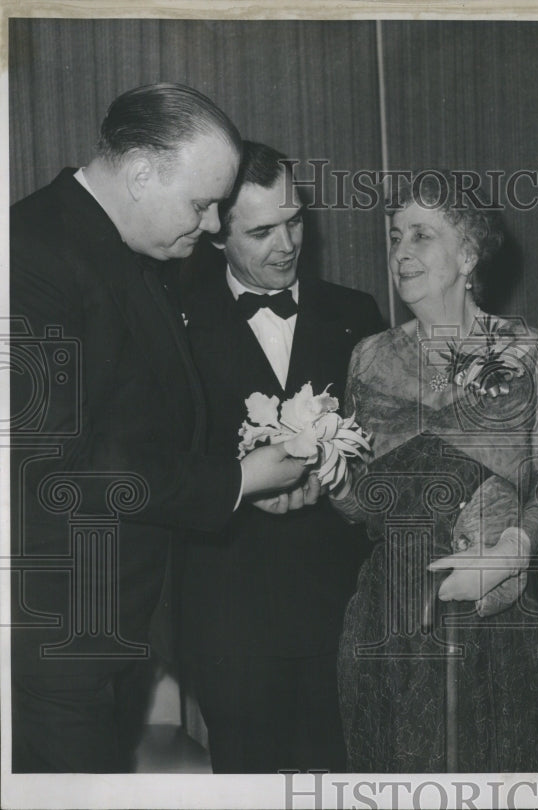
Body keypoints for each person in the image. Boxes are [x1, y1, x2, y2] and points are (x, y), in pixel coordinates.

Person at [9, 85, 309, 773]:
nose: (211, 226)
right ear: (141, 172)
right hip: (54, 635)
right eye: (202, 203)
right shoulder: (31, 254)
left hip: (103, 628)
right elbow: (57, 467)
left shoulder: (122, 251)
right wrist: (236, 479)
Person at [329, 172, 538, 772]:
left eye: (421, 235)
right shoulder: (370, 357)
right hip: (393, 620)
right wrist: (334, 483)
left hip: (494, 613)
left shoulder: (524, 351)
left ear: (467, 254)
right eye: (393, 236)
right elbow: (363, 507)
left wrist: (513, 552)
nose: (401, 252)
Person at [176, 141, 384, 772]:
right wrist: (245, 484)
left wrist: (339, 476)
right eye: (263, 230)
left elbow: (385, 457)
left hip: (340, 608)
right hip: (231, 618)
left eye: (295, 221)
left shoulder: (356, 314)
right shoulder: (173, 320)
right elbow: (161, 461)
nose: (288, 244)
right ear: (216, 233)